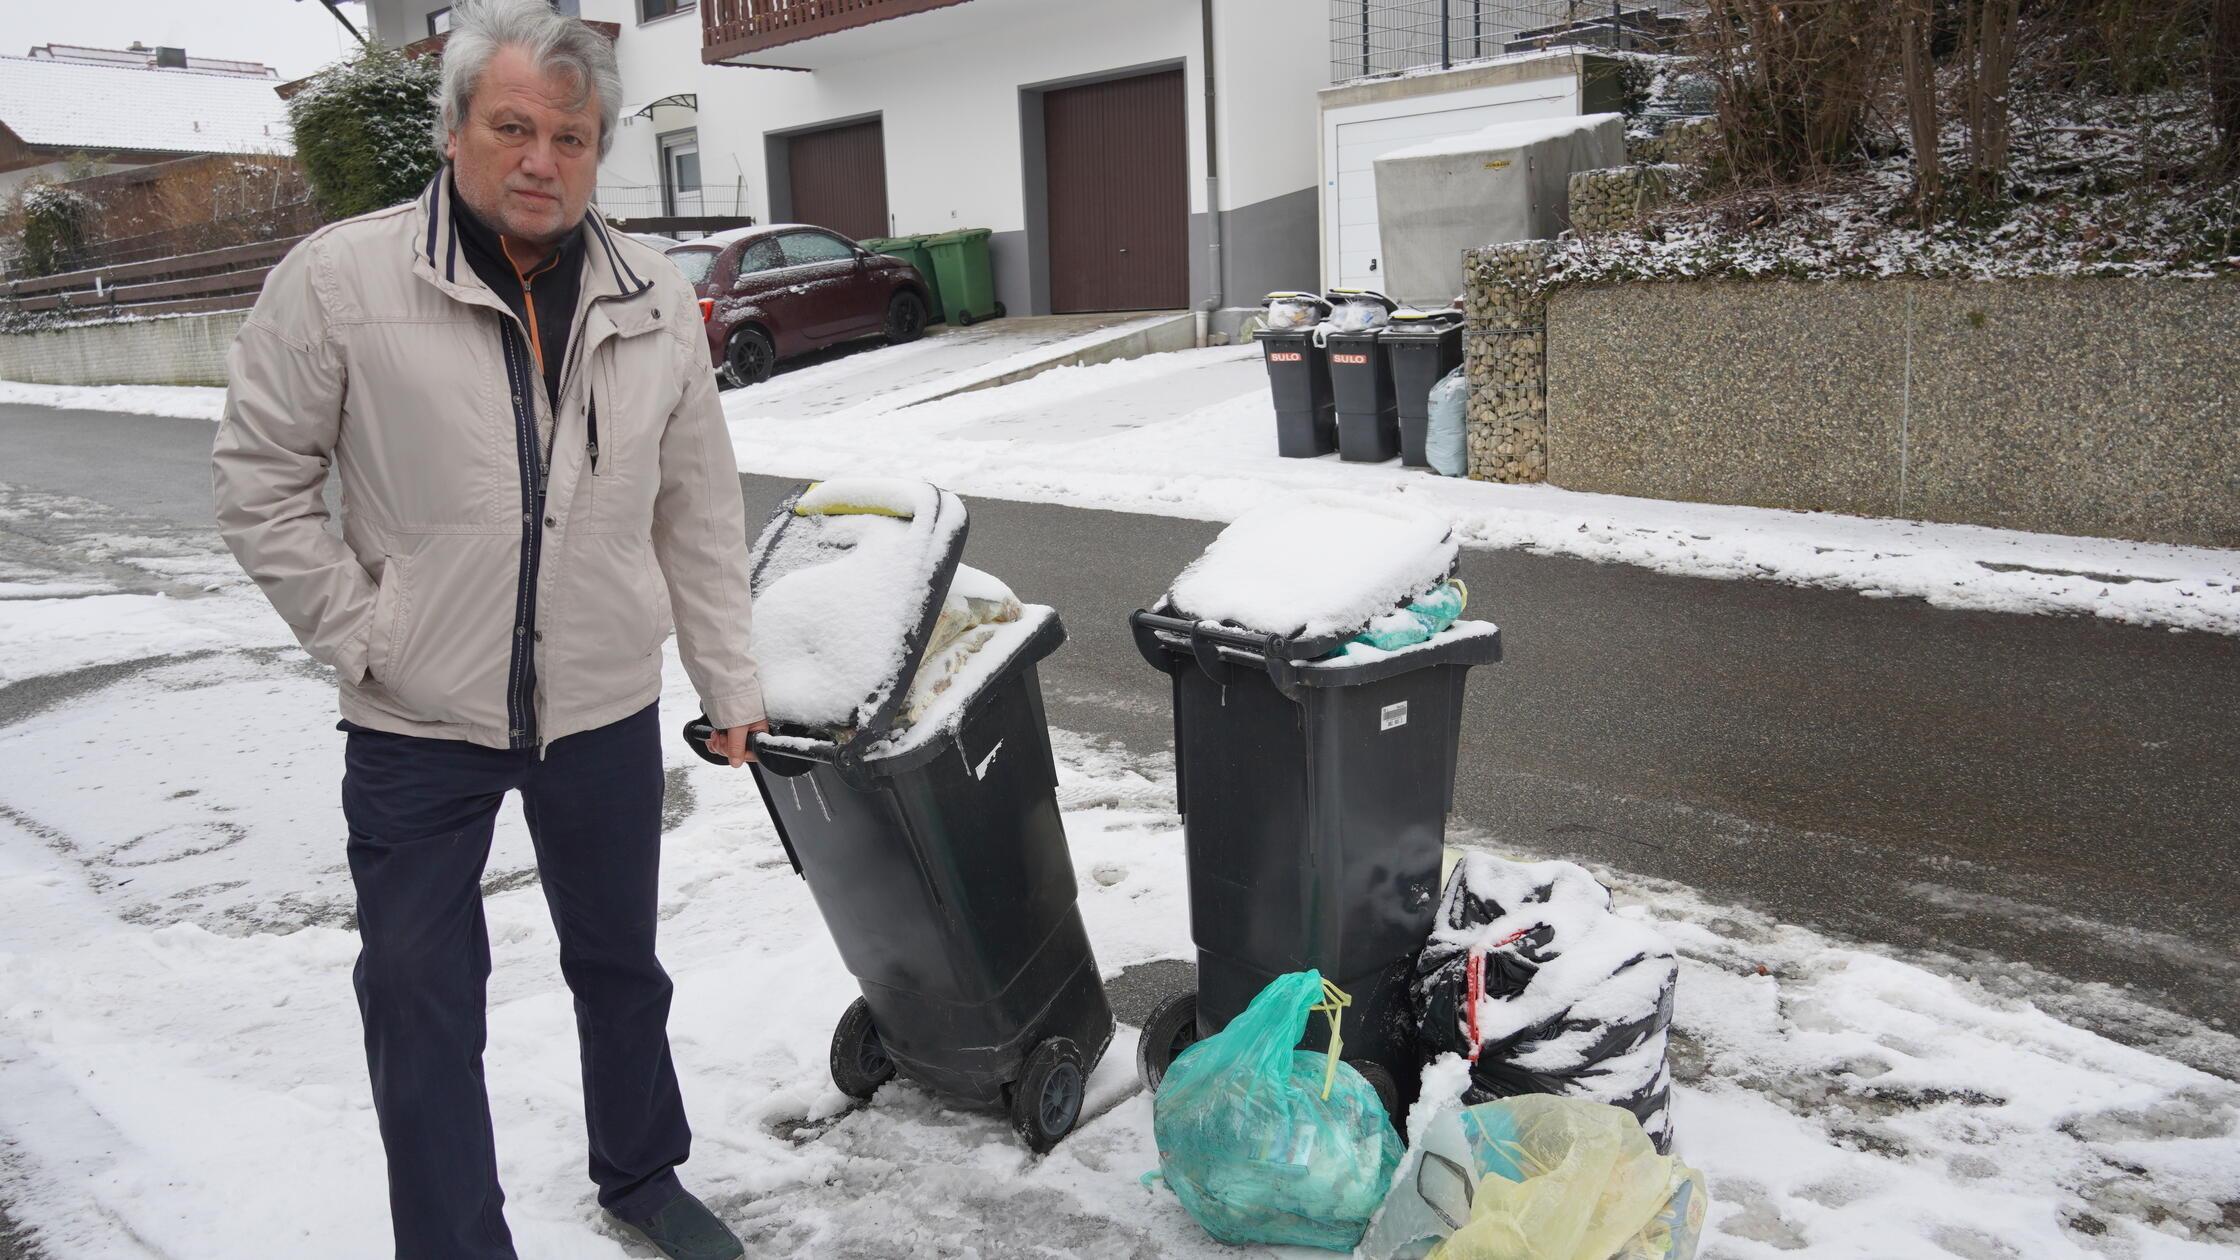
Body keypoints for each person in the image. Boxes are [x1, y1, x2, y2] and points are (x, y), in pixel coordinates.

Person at [213, 2, 762, 1255]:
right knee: (418, 994)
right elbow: (259, 482)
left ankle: (642, 1172)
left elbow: (698, 506)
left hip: (602, 706)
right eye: (512, 126)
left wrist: (727, 677)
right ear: (455, 128)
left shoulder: (653, 298)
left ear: (598, 149)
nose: (540, 159)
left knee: (620, 967)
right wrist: (368, 634)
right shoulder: (342, 281)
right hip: (416, 719)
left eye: (571, 137)